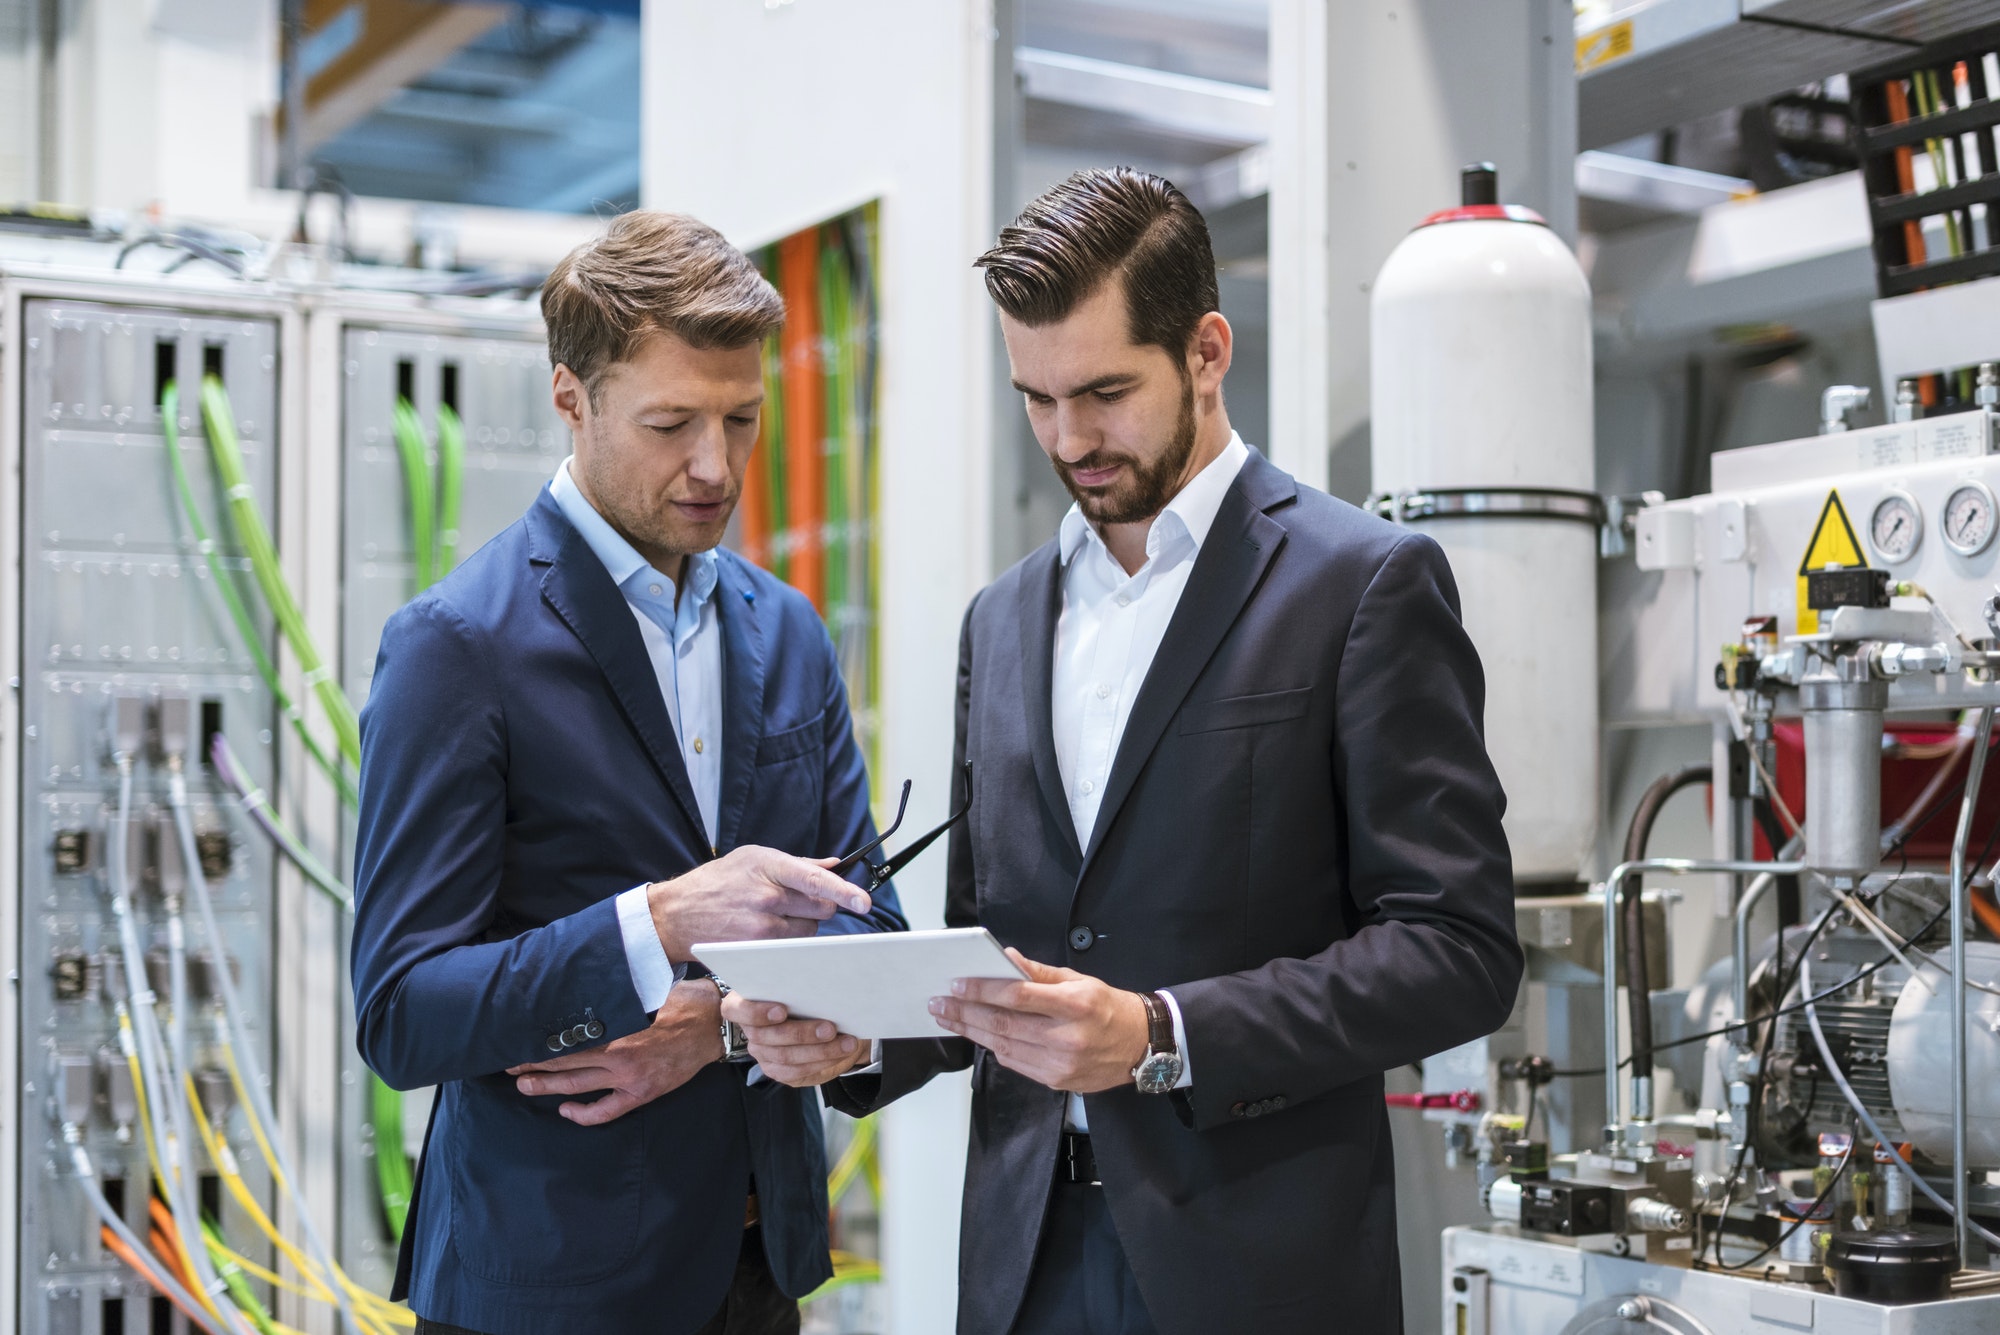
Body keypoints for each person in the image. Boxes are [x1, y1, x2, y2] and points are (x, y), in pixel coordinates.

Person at [726, 167, 1523, 1335]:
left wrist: (1160, 1035)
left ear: (1206, 350)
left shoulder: (1359, 587)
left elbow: (1456, 951)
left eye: (1104, 391)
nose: (1070, 439)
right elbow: (989, 955)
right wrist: (857, 1037)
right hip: (1023, 1262)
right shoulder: (999, 623)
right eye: (1036, 399)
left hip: (1253, 1268)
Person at [350, 209, 904, 1335]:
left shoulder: (788, 631)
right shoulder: (460, 648)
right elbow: (404, 1012)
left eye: (742, 420)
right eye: (669, 424)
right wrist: (653, 926)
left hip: (761, 1272)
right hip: (545, 1284)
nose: (715, 466)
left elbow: (870, 931)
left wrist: (728, 1023)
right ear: (571, 398)